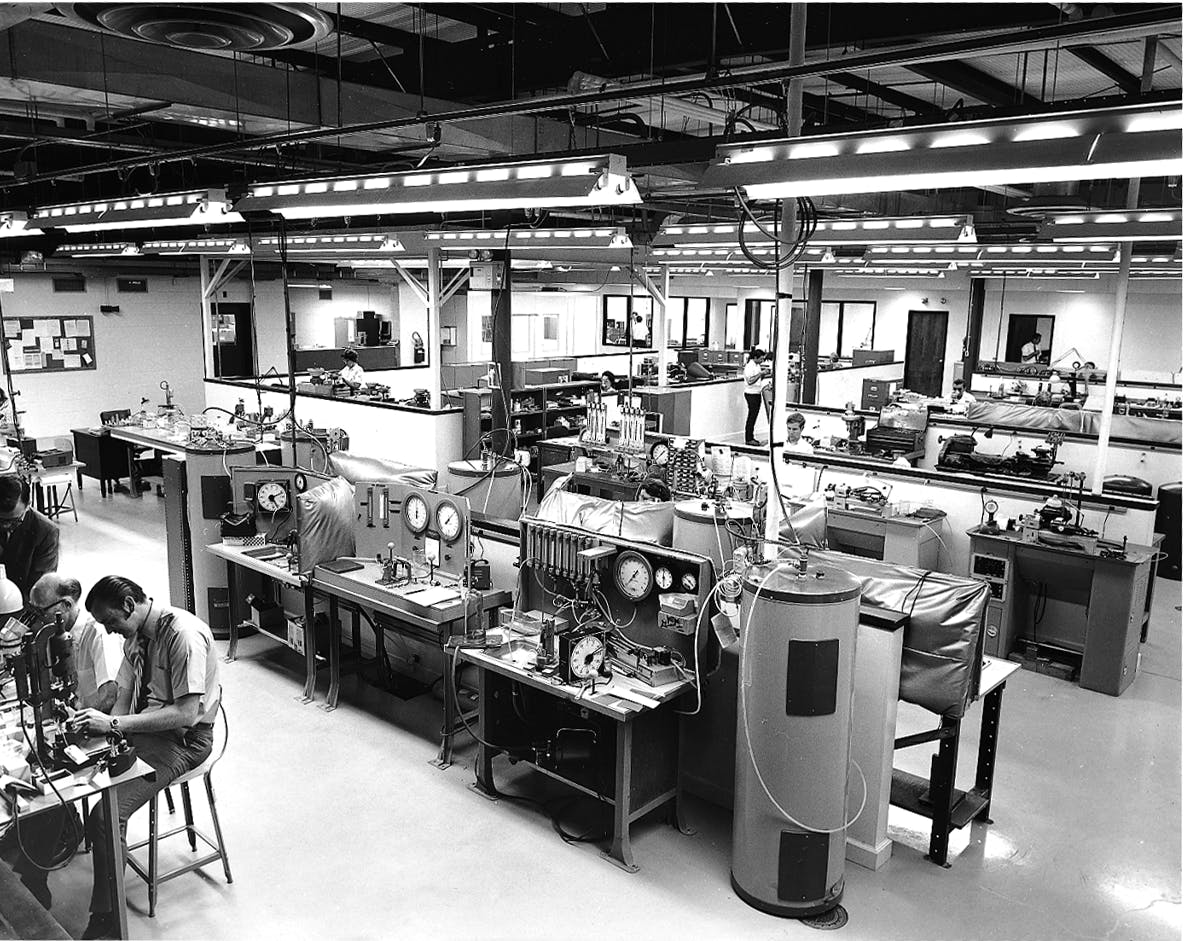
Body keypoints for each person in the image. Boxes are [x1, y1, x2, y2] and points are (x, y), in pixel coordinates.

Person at [66, 576, 221, 940]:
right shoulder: (137, 634)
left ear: (128, 605)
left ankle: (108, 921)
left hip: (183, 739)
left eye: (111, 623)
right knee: (76, 774)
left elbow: (185, 714)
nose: (111, 632)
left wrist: (117, 723)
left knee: (105, 815)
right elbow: (123, 689)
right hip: (147, 726)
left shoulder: (183, 636)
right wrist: (111, 733)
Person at [1, 575, 121, 908]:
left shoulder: (97, 633)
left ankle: (34, 878)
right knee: (25, 767)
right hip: (68, 723)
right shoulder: (52, 633)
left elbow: (110, 695)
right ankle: (33, 836)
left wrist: (77, 716)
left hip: (100, 728)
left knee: (54, 787)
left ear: (65, 605)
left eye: (39, 610)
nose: (34, 618)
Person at [0, 474, 58, 601]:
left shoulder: (46, 532)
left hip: (23, 601)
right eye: (1, 520)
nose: (5, 526)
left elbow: (40, 586)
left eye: (14, 521)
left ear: (28, 505)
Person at [742, 348, 770, 447]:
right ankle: (749, 438)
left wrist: (763, 375)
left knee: (754, 416)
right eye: (761, 359)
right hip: (751, 394)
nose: (762, 361)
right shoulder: (749, 367)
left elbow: (757, 380)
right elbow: (750, 381)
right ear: (755, 357)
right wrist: (761, 373)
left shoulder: (757, 366)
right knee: (751, 416)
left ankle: (751, 437)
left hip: (757, 392)